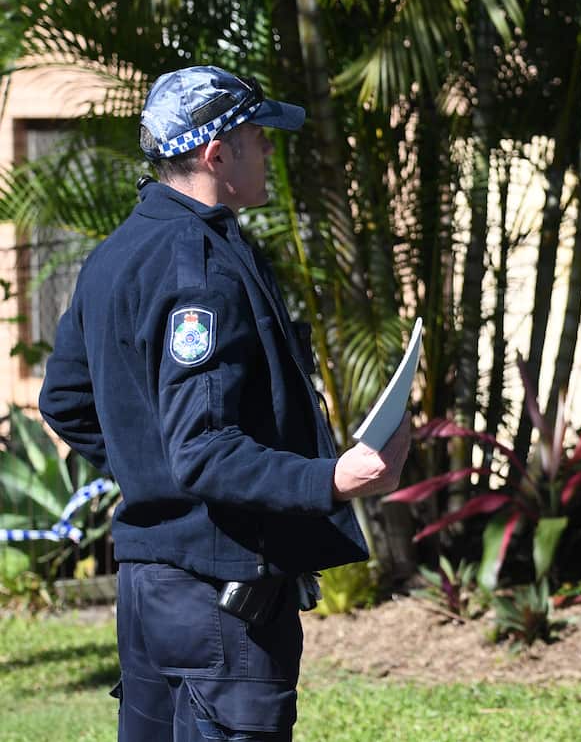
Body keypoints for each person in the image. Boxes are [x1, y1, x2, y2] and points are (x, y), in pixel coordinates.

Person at [39, 65, 411, 741]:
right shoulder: (202, 267)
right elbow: (204, 447)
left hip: (149, 596)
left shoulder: (113, 255)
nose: (270, 149)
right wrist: (329, 477)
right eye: (257, 135)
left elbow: (65, 402)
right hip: (222, 605)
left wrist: (152, 473)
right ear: (217, 153)